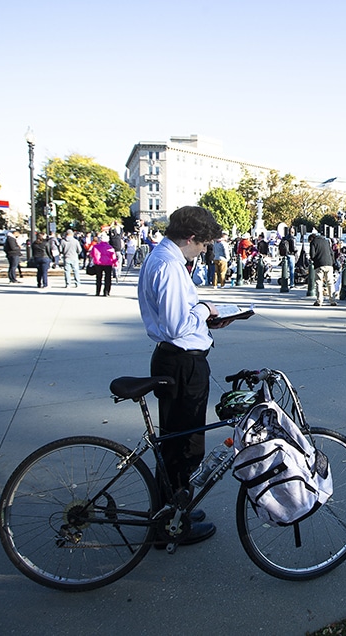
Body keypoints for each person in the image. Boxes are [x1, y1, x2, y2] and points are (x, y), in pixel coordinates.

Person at [138, 205, 226, 545]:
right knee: (184, 446)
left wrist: (205, 317)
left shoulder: (161, 258)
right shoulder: (170, 266)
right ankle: (171, 524)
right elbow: (177, 325)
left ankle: (174, 507)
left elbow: (175, 317)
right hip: (182, 363)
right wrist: (205, 310)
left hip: (174, 358)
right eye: (203, 244)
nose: (204, 250)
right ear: (190, 238)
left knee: (175, 441)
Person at [308, 232, 337, 306]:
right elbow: (331, 253)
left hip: (319, 264)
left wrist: (314, 260)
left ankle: (319, 300)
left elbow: (312, 255)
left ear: (311, 239)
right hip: (329, 264)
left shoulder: (313, 242)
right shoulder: (326, 241)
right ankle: (332, 300)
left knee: (319, 282)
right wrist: (332, 262)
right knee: (330, 282)